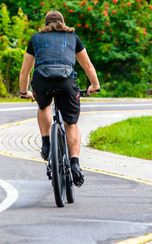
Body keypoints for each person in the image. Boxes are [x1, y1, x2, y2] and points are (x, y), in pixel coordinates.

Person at [19, 11, 100, 187]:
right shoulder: (73, 37)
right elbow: (87, 65)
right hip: (66, 81)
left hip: (42, 80)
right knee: (71, 124)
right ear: (63, 23)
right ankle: (75, 164)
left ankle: (46, 143)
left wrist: (24, 91)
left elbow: (25, 71)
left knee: (44, 106)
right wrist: (95, 85)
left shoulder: (36, 38)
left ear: (46, 25)